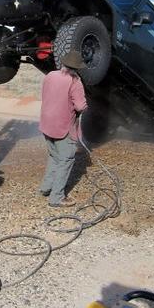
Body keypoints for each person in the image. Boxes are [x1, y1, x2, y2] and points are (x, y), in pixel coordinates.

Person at [39, 50, 87, 207]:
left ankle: (46, 188)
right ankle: (57, 197)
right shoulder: (75, 81)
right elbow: (80, 106)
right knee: (66, 159)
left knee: (54, 156)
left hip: (46, 124)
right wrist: (85, 107)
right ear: (77, 68)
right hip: (63, 127)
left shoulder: (50, 75)